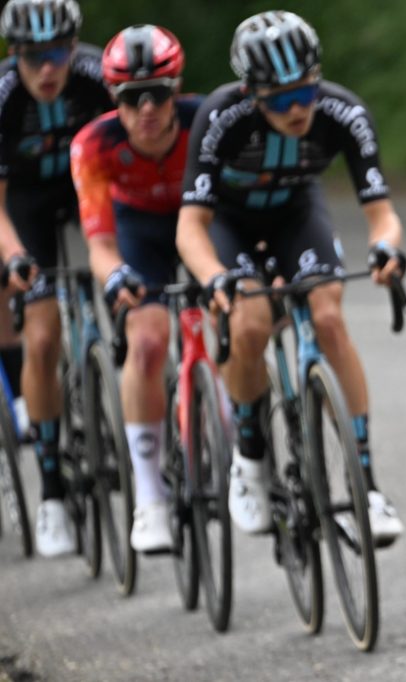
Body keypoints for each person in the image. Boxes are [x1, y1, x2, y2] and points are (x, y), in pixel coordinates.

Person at [175, 10, 406, 546]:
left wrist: (386, 249)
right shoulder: (221, 117)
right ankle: (250, 460)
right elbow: (191, 228)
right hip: (230, 224)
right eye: (280, 100)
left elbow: (381, 213)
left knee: (329, 316)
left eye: (305, 91)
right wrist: (214, 277)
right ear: (252, 93)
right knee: (250, 324)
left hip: (296, 215)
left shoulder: (342, 110)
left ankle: (367, 487)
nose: (298, 108)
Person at [70, 24, 201, 553]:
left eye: (159, 94)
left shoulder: (205, 122)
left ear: (177, 91)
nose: (146, 109)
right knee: (147, 342)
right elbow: (99, 246)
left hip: (199, 222)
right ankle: (150, 497)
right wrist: (119, 276)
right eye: (130, 97)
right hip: (137, 233)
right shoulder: (93, 145)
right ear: (113, 99)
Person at [0, 0, 112, 557]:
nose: (49, 69)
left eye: (60, 53)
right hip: (23, 202)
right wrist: (16, 256)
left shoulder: (96, 76)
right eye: (34, 56)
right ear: (14, 54)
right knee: (41, 337)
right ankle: (49, 492)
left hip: (87, 186)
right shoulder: (2, 98)